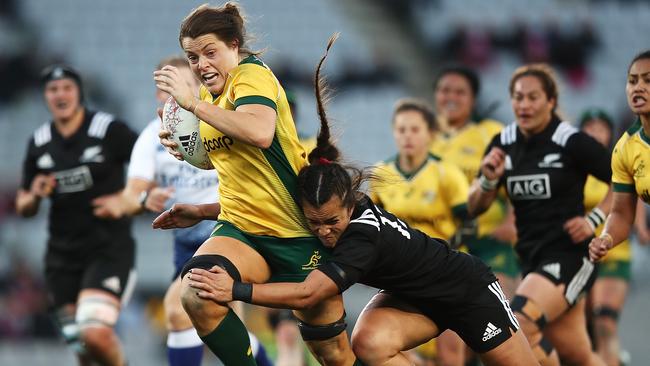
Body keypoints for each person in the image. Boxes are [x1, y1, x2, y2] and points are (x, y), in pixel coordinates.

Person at [184, 35, 538, 366]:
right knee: (368, 343)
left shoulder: (361, 237)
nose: (323, 232)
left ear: (350, 207)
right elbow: (274, 202)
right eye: (315, 223)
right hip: (410, 298)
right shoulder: (335, 205)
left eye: (331, 222)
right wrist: (202, 211)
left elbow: (307, 295)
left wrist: (237, 290)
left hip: (465, 290)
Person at [152, 4, 357, 365]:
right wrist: (185, 149)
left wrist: (192, 107)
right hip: (241, 231)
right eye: (192, 57)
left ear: (234, 45)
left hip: (293, 232)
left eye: (209, 52)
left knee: (334, 356)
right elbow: (224, 157)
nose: (201, 64)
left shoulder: (251, 76)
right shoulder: (206, 97)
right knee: (196, 292)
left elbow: (260, 132)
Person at [92, 55, 272, 366]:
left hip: (230, 232)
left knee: (177, 311)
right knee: (228, 333)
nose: (168, 97)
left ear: (198, 90)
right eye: (162, 89)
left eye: (177, 87)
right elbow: (132, 195)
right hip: (188, 244)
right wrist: (141, 200)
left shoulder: (219, 121)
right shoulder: (151, 138)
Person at [468, 63, 612, 366]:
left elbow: (623, 180)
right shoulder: (503, 143)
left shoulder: (570, 140)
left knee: (517, 324)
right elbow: (475, 206)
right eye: (518, 97)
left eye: (533, 97)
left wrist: (594, 220)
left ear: (551, 102)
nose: (524, 105)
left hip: (570, 256)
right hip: (531, 258)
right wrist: (488, 179)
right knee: (578, 355)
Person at [15, 64, 138, 366]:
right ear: (45, 96)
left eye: (67, 88)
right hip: (61, 257)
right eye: (53, 89)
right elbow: (23, 205)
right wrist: (34, 195)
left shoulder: (108, 130)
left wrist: (127, 198)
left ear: (79, 92)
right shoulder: (40, 141)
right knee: (82, 349)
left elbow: (148, 165)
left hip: (107, 249)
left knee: (94, 334)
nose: (61, 94)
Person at [369, 98, 470, 365]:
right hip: (401, 275)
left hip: (446, 273)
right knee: (393, 347)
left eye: (415, 129)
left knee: (449, 353)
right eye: (401, 130)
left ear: (430, 134)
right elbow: (374, 226)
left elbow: (469, 224)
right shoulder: (381, 173)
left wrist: (444, 256)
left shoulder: (447, 173)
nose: (407, 136)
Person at [430, 65, 519, 365]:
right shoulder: (426, 137)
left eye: (459, 91)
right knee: (450, 343)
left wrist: (512, 221)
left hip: (491, 243)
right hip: (448, 248)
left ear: (473, 98)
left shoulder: (491, 133)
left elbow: (517, 181)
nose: (450, 97)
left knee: (497, 337)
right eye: (444, 90)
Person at [590, 50, 650, 356]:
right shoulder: (626, 148)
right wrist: (607, 237)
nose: (638, 88)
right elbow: (623, 212)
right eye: (632, 81)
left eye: (648, 81)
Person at [580, 108, 650, 366]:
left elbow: (631, 199)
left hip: (614, 254)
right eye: (590, 127)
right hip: (580, 258)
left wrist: (641, 228)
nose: (596, 133)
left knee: (604, 320)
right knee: (583, 329)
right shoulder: (574, 167)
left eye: (601, 128)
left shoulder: (619, 161)